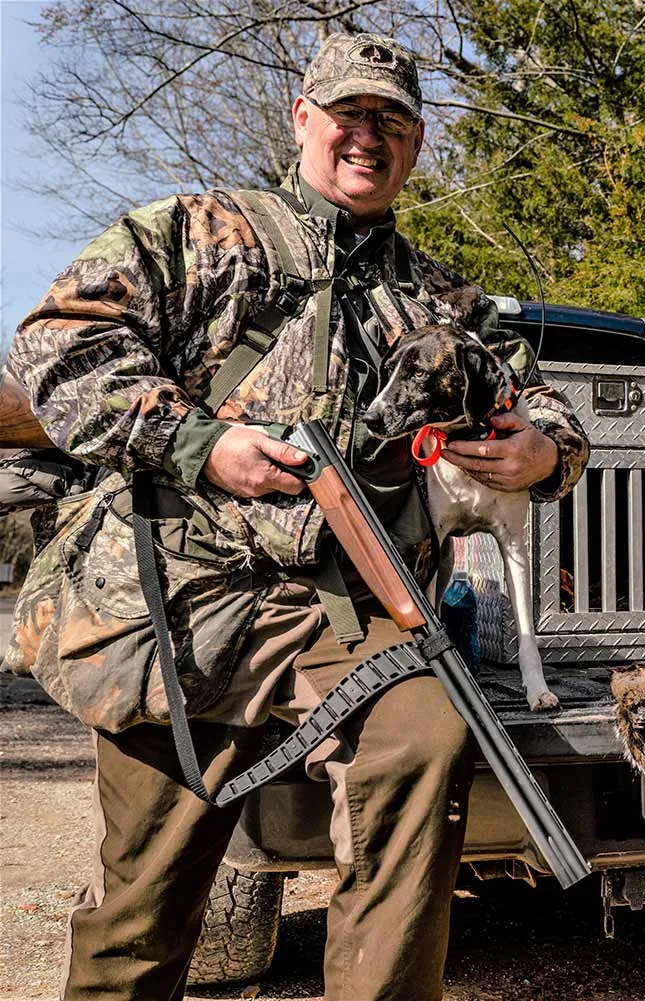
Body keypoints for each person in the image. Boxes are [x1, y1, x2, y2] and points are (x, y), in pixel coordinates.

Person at [6, 33, 588, 1001]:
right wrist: (199, 443)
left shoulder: (439, 297)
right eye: (350, 114)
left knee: (427, 734)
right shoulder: (203, 232)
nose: (369, 135)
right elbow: (55, 344)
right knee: (140, 921)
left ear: (415, 143)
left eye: (392, 121)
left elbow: (548, 406)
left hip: (339, 612)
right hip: (175, 601)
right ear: (302, 121)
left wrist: (544, 451)